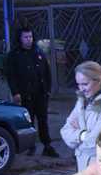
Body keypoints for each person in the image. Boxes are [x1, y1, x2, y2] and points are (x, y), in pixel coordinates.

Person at [60, 61, 101, 171]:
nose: (81, 89)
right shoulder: (82, 102)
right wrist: (82, 135)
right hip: (84, 166)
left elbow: (96, 142)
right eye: (78, 84)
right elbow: (65, 130)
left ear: (99, 81)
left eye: (85, 84)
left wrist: (77, 142)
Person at [4, 27, 59, 158]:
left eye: (30, 37)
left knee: (43, 120)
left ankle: (47, 145)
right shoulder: (14, 55)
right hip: (25, 94)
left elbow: (46, 72)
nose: (29, 40)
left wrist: (48, 90)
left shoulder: (38, 52)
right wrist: (15, 92)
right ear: (20, 38)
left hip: (41, 93)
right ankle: (30, 146)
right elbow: (11, 75)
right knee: (29, 121)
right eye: (26, 37)